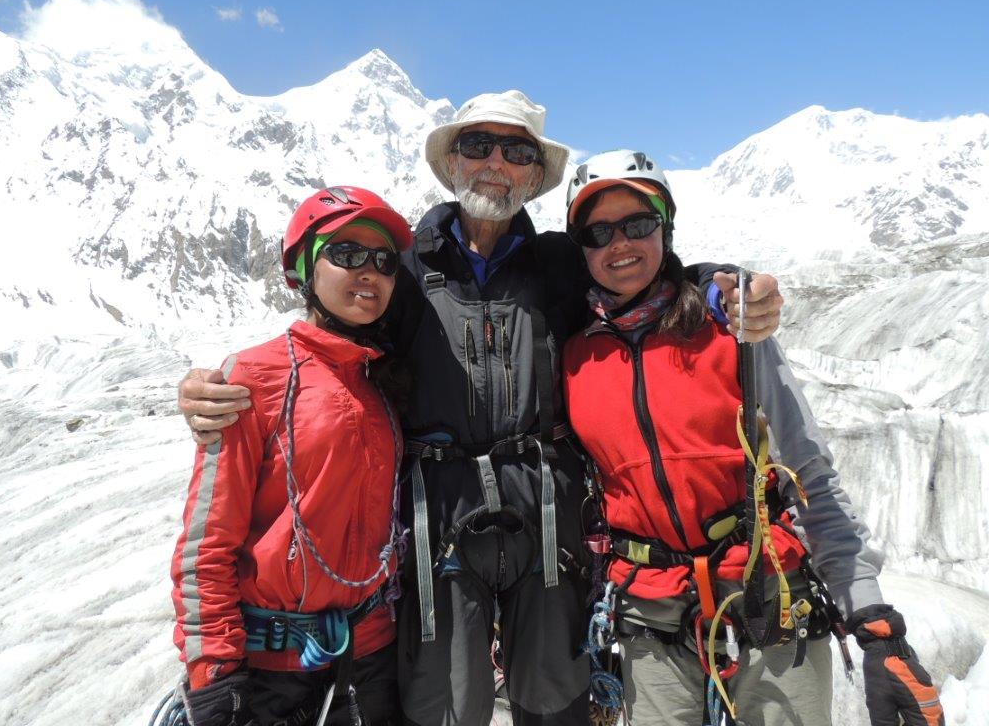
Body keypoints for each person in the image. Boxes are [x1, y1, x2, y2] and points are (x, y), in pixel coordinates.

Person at [177, 91, 785, 726]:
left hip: (546, 506)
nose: (496, 162)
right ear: (453, 163)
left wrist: (720, 286)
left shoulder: (559, 262)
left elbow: (641, 272)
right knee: (444, 700)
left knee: (554, 695)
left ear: (534, 175)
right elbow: (330, 341)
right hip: (438, 510)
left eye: (517, 151)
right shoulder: (403, 265)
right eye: (478, 145)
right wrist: (216, 385)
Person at [561, 150, 944, 725]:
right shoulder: (573, 356)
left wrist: (871, 616)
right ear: (581, 250)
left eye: (638, 224)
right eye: (599, 232)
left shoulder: (732, 332)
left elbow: (808, 471)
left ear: (666, 228)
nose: (620, 244)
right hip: (650, 613)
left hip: (769, 594)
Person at [171, 186, 414, 726]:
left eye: (384, 260)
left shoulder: (381, 382)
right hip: (273, 671)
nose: (369, 271)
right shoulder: (253, 377)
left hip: (372, 657)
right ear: (303, 269)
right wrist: (214, 673)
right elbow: (207, 543)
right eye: (347, 253)